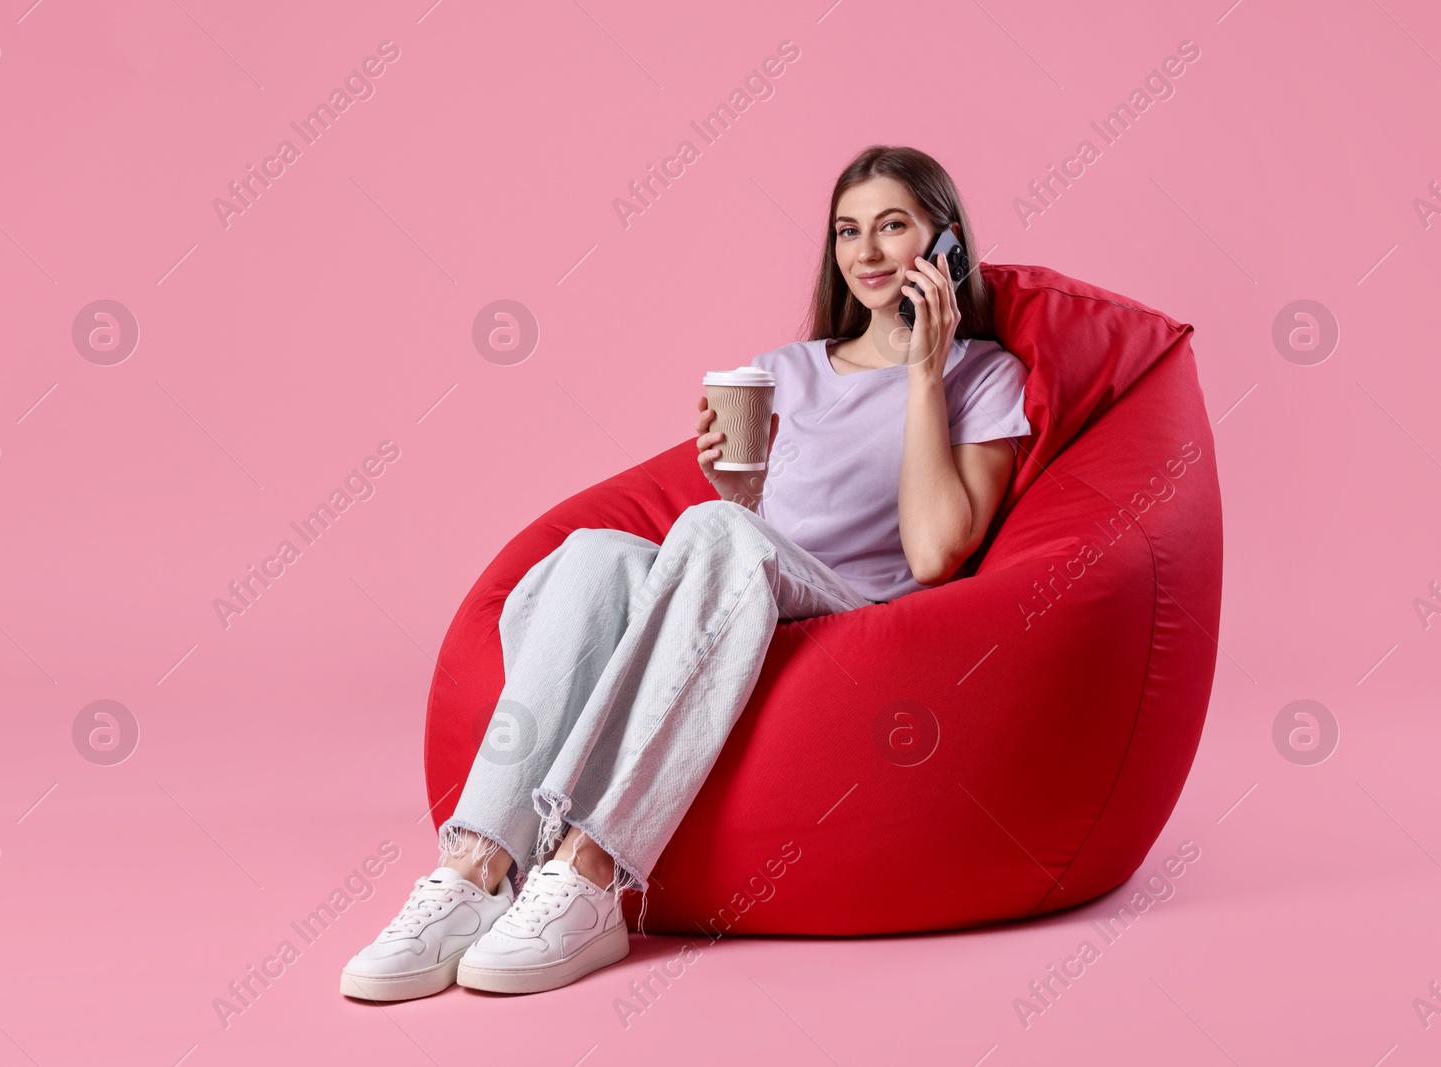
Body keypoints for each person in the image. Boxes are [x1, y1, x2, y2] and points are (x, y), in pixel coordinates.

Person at [340, 144, 1031, 1001]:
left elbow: (936, 552)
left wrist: (926, 369)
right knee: (593, 554)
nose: (869, 252)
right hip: (755, 589)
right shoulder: (786, 370)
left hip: (861, 613)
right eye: (849, 231)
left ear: (945, 244)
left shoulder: (984, 376)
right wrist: (738, 492)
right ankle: (476, 865)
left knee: (715, 533)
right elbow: (757, 523)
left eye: (895, 226)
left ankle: (592, 871)